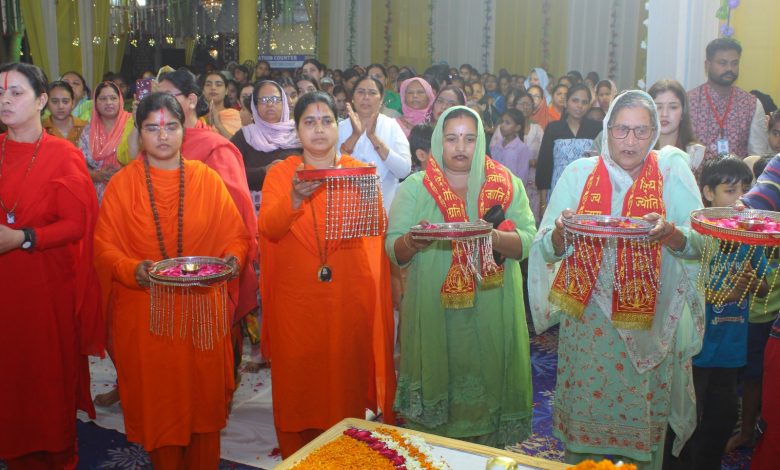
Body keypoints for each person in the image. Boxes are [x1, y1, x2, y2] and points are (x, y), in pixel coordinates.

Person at [529, 90, 704, 469]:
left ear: (654, 133)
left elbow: (701, 244)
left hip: (649, 327)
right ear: (606, 130)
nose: (630, 140)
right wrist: (560, 234)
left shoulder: (671, 172)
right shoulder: (580, 174)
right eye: (621, 129)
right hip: (588, 326)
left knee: (640, 439)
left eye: (641, 131)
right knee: (584, 439)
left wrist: (671, 234)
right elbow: (544, 247)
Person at [94, 93, 249, 469]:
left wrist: (234, 259)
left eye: (171, 127)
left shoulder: (207, 179)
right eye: (152, 128)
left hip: (201, 314)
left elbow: (236, 236)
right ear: (139, 134)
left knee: (203, 406)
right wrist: (132, 270)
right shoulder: (122, 185)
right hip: (147, 315)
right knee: (161, 406)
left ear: (184, 130)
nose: (162, 136)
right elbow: (104, 248)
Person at [258, 91, 396, 457]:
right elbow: (269, 228)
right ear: (297, 130)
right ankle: (298, 458)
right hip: (296, 303)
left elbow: (377, 227)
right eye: (309, 122)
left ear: (339, 127)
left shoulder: (357, 171)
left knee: (343, 382)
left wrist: (364, 194)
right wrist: (294, 199)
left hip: (348, 297)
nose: (318, 129)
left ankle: (342, 455)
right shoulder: (281, 174)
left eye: (326, 121)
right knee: (297, 385)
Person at [387, 105, 534, 447]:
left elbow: (527, 241)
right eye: (451, 138)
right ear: (439, 141)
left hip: (494, 306)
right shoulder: (416, 187)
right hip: (434, 309)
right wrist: (414, 240)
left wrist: (491, 237)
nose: (460, 147)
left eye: (470, 139)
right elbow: (394, 249)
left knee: (490, 382)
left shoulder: (506, 184)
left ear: (481, 142)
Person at [0, 62, 103, 469]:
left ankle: (57, 454)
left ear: (41, 100)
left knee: (46, 372)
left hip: (46, 283)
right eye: (0, 93)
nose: (5, 100)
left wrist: (25, 237)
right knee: (9, 373)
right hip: (4, 286)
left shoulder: (63, 154)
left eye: (16, 92)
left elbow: (77, 223)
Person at [667, 156, 767, 470]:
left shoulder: (751, 238)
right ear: (708, 193)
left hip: (730, 351)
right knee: (686, 422)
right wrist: (731, 294)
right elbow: (688, 292)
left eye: (746, 190)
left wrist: (754, 283)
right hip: (697, 351)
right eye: (730, 190)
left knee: (721, 421)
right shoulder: (698, 237)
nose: (740, 199)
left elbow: (763, 287)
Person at [157, 69, 260, 365]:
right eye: (156, 96)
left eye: (168, 96)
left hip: (206, 262)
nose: (159, 103)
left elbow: (235, 210)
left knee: (207, 346)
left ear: (191, 100)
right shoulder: (154, 142)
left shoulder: (215, 147)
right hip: (160, 258)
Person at [688, 37, 769, 163]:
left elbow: (757, 158)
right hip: (695, 175)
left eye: (734, 63)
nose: (729, 69)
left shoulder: (752, 104)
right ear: (707, 65)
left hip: (738, 175)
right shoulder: (689, 102)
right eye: (722, 63)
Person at [338, 75, 411, 209]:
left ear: (381, 99)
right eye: (361, 92)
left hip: (384, 207)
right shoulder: (341, 127)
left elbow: (404, 171)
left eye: (372, 93)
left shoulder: (392, 126)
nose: (366, 97)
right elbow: (332, 168)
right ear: (352, 98)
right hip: (347, 208)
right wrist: (355, 135)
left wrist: (373, 137)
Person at [230, 78, 302, 211]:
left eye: (275, 99)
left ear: (284, 103)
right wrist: (263, 171)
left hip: (296, 208)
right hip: (254, 211)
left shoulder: (299, 133)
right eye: (263, 100)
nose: (269, 104)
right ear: (255, 106)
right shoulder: (245, 136)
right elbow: (230, 172)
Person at [536, 84, 601, 213]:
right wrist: (543, 204)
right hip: (559, 188)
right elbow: (544, 166)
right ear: (566, 102)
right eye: (575, 100)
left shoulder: (596, 129)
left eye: (584, 102)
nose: (579, 106)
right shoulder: (554, 128)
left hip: (588, 190)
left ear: (589, 105)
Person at [78, 81, 134, 203]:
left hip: (130, 190)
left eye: (113, 98)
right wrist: (96, 175)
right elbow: (80, 165)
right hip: (97, 194)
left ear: (120, 101)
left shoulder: (133, 124)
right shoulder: (87, 131)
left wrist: (124, 172)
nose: (108, 102)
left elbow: (143, 157)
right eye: (103, 99)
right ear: (95, 103)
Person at [649, 79, 705, 172]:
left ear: (683, 112)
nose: (664, 114)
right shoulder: (639, 150)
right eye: (658, 107)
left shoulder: (694, 154)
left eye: (673, 107)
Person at [514, 91, 544, 224]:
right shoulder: (507, 127)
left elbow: (544, 154)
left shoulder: (537, 129)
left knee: (531, 218)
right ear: (514, 106)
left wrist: (535, 162)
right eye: (522, 104)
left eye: (528, 104)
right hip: (512, 180)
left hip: (533, 180)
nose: (525, 107)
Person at [490, 108, 533, 186]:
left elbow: (522, 176)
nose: (502, 125)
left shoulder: (521, 148)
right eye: (502, 122)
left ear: (517, 128)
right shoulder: (496, 146)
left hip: (513, 190)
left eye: (507, 123)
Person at [42, 80, 88, 145]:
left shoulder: (85, 127)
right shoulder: (41, 129)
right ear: (47, 103)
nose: (60, 106)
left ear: (73, 103)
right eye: (55, 101)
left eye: (65, 101)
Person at [200, 71, 241, 138]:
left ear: (226, 91)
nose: (213, 88)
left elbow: (236, 143)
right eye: (208, 84)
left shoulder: (234, 115)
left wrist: (218, 125)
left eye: (218, 85)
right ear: (203, 91)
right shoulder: (199, 120)